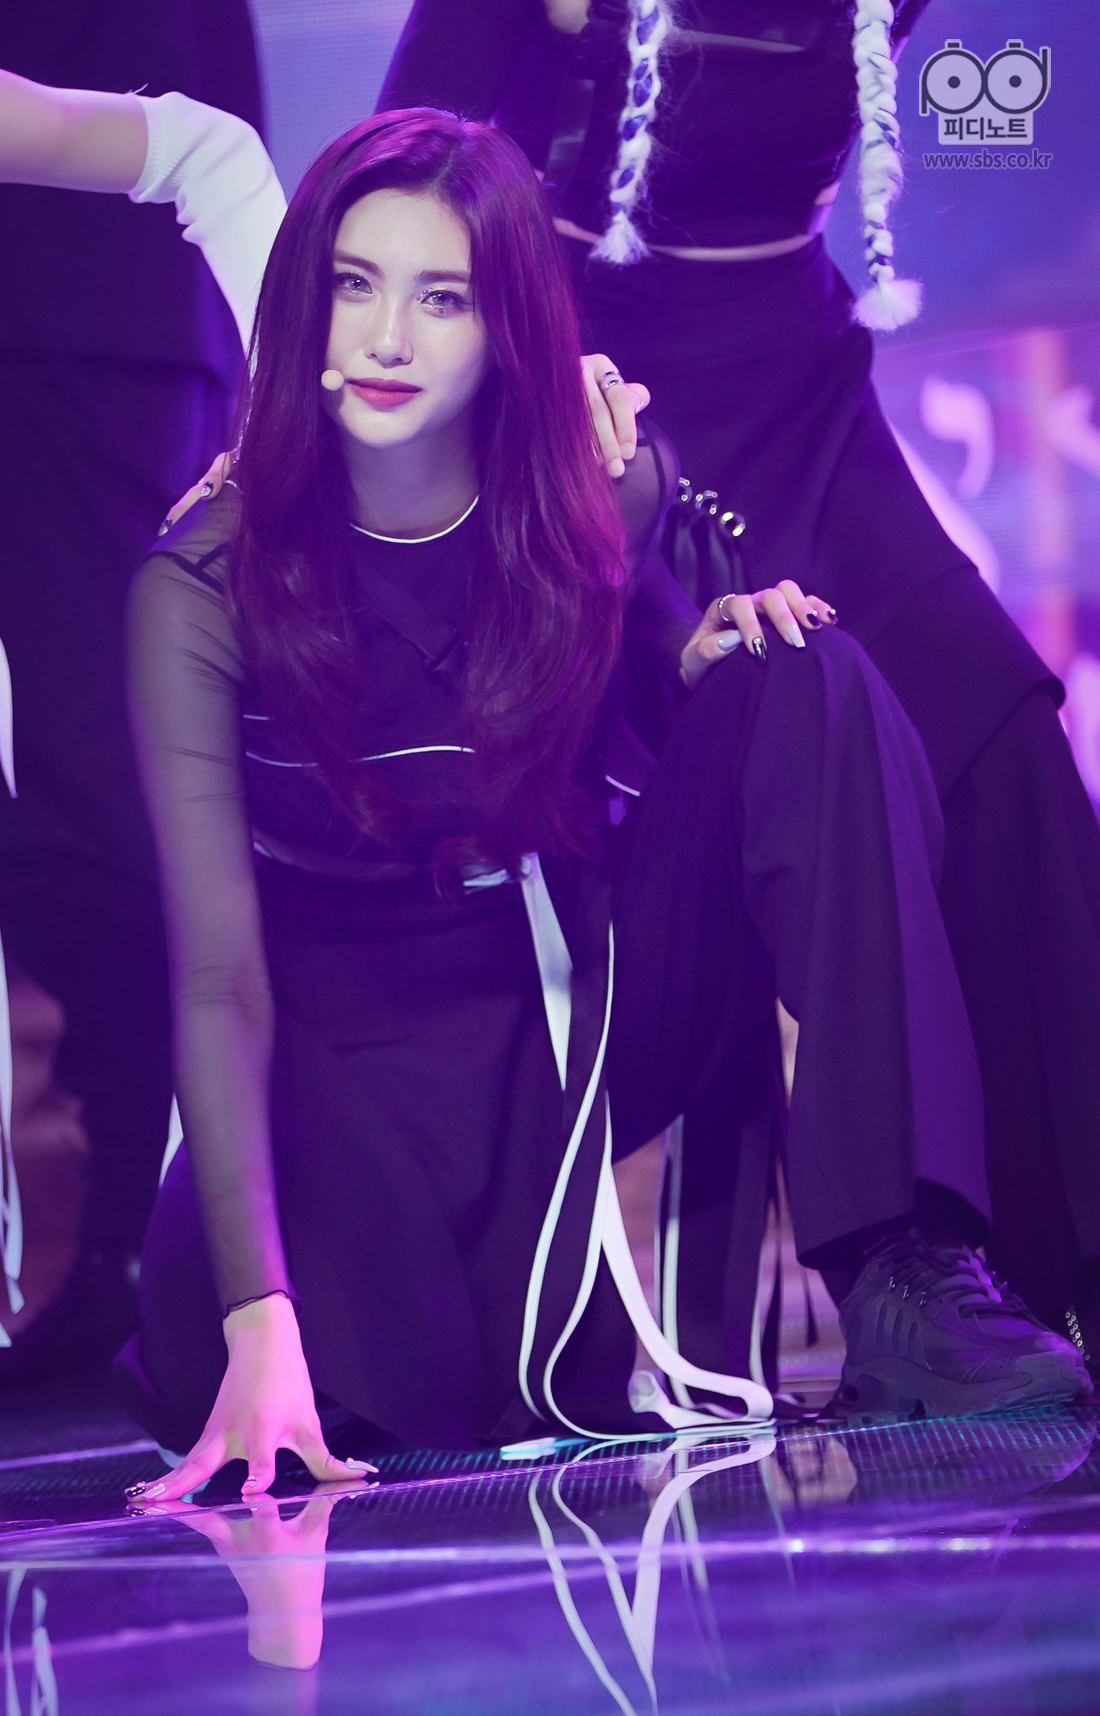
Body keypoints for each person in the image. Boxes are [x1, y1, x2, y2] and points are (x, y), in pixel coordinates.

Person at [112, 108, 1085, 1504]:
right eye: (353, 283)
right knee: (397, 1405)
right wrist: (254, 1317)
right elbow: (219, 980)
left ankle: (904, 1274)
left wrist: (711, 653)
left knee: (805, 669)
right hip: (346, 1085)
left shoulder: (594, 485)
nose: (385, 338)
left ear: (507, 327)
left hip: (576, 1024)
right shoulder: (201, 586)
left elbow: (671, 701)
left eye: (441, 298)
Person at [378, 0, 1100, 1358]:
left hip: (799, 381)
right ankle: (879, 1269)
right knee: (716, 753)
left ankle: (1053, 1272)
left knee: (1000, 745)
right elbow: (393, 179)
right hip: (580, 393)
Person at [0, 6, 283, 1380]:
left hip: (97, 302)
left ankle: (148, 1231)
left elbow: (204, 129)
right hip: (103, 298)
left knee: (102, 778)